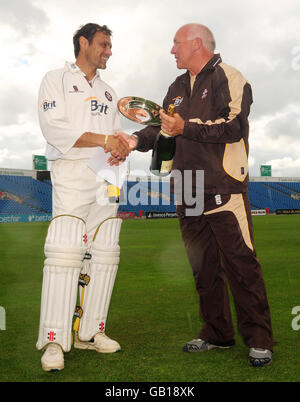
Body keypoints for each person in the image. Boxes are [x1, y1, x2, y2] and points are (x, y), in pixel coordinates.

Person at [115, 23, 274, 367]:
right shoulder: (175, 86)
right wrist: (134, 141)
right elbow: (162, 126)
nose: (171, 50)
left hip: (222, 186)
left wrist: (186, 127)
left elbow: (235, 125)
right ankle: (217, 333)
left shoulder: (230, 77)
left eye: (176, 44)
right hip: (185, 188)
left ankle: (259, 338)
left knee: (241, 265)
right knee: (203, 269)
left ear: (197, 44)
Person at [36, 23, 130, 371]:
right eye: (104, 44)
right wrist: (106, 141)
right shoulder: (56, 79)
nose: (108, 51)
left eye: (110, 46)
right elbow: (54, 127)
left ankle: (89, 332)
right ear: (84, 43)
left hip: (106, 175)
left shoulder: (108, 91)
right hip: (72, 171)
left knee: (104, 254)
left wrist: (119, 147)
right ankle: (54, 340)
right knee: (65, 253)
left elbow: (109, 139)